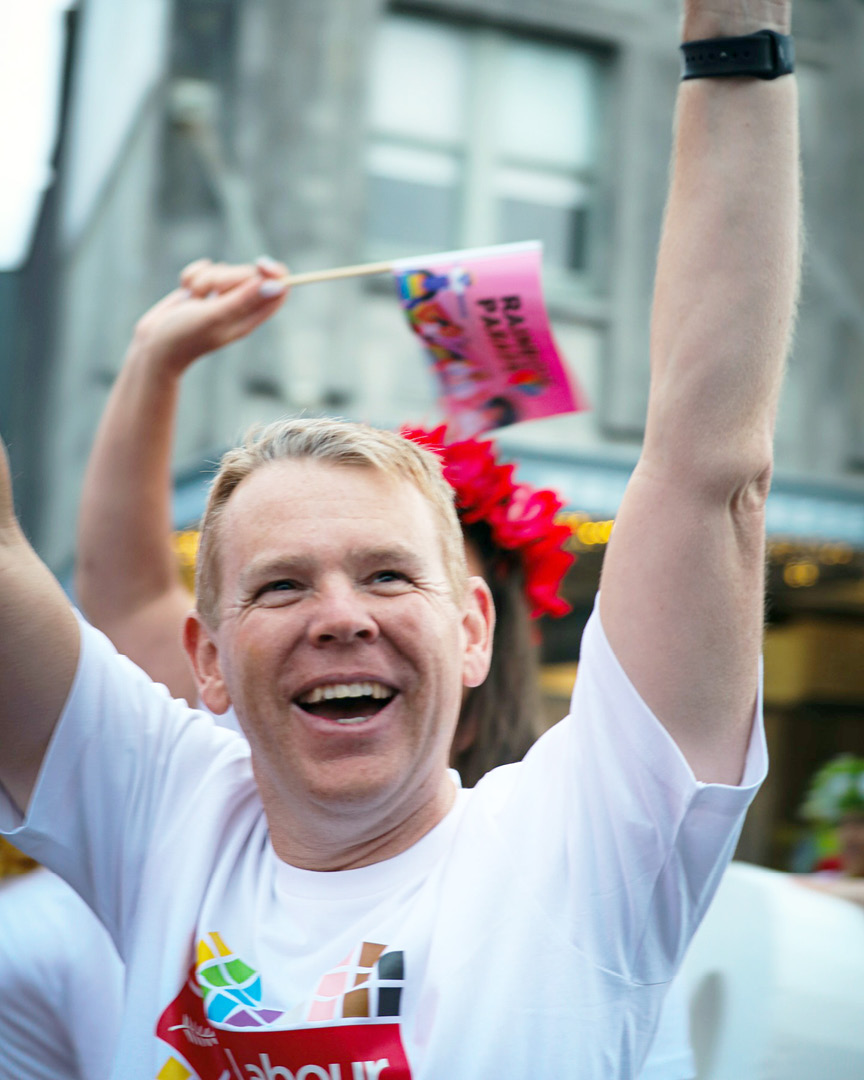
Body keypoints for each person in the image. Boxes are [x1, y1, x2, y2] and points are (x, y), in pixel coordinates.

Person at [0, 1, 800, 1074]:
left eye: (388, 575)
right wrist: (151, 359)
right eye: (282, 587)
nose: (340, 618)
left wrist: (735, 37)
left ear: (473, 630)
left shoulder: (584, 848)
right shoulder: (168, 820)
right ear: (207, 661)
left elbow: (710, 470)